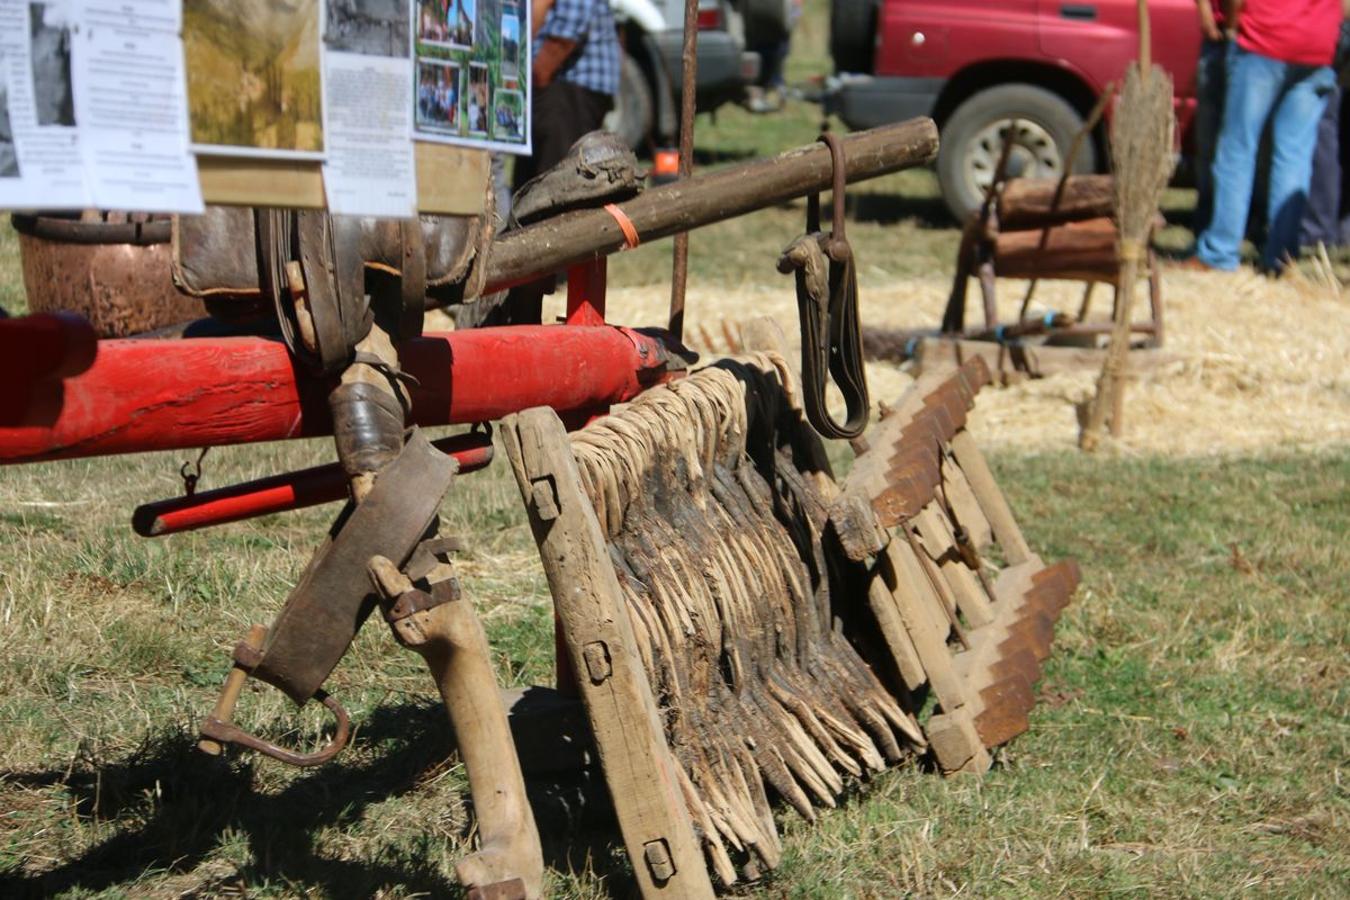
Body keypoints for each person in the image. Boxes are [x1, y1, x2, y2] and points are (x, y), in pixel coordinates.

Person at [1190, 0, 1345, 273]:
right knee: (1294, 157)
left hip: (1264, 39)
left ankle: (1219, 252)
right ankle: (1281, 259)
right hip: (1317, 47)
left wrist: (1234, 24)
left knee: (1237, 150)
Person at [511, 0, 619, 190]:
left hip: (570, 87)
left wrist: (533, 79)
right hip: (556, 84)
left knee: (556, 181)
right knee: (531, 182)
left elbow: (563, 38)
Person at [1192, 0, 1231, 236]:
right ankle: (1206, 215)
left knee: (1243, 144)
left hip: (1257, 39)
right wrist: (1205, 12)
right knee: (1209, 138)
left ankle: (1254, 220)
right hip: (1219, 34)